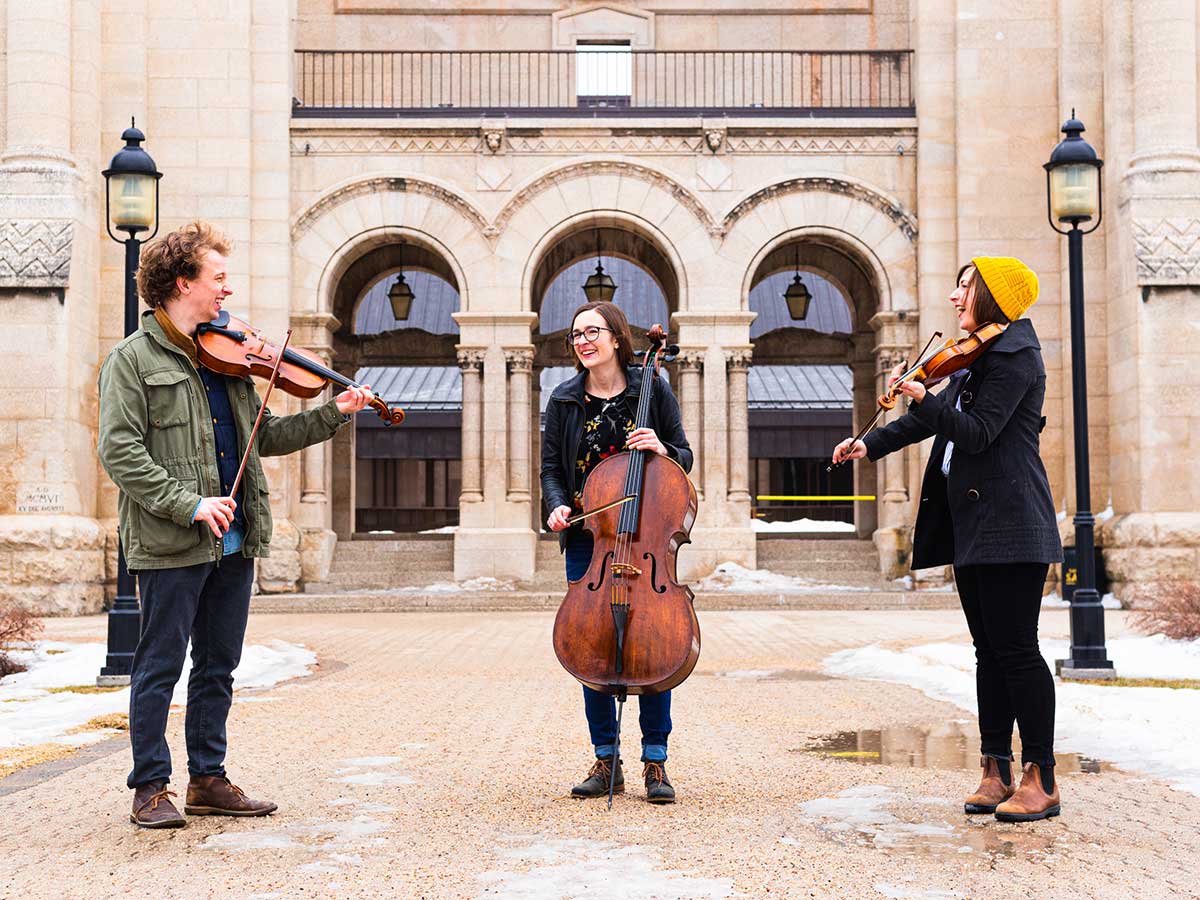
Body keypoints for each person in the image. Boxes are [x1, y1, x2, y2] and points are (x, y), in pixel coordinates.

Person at [98, 221, 374, 829]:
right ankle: (149, 787)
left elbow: (267, 435)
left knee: (218, 665)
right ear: (181, 282)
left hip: (235, 536)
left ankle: (208, 779)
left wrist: (335, 411)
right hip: (173, 540)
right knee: (159, 666)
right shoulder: (132, 360)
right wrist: (188, 504)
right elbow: (120, 452)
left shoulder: (227, 358)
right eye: (218, 278)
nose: (228, 290)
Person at [831, 257, 1064, 822]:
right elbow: (932, 424)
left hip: (1013, 523)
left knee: (1017, 650)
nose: (956, 297)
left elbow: (979, 433)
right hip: (975, 525)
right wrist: (871, 445)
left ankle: (1041, 775)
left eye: (966, 288)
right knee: (989, 653)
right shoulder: (974, 359)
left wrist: (924, 396)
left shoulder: (1015, 358)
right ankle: (994, 767)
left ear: (995, 297)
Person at [540, 301, 693, 804]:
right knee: (592, 647)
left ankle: (655, 761)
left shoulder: (653, 389)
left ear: (617, 339)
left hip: (646, 536)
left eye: (593, 332)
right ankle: (606, 758)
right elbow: (551, 471)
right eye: (576, 334)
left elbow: (684, 454)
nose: (583, 341)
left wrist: (663, 449)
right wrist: (560, 506)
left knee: (655, 643)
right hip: (592, 540)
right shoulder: (563, 400)